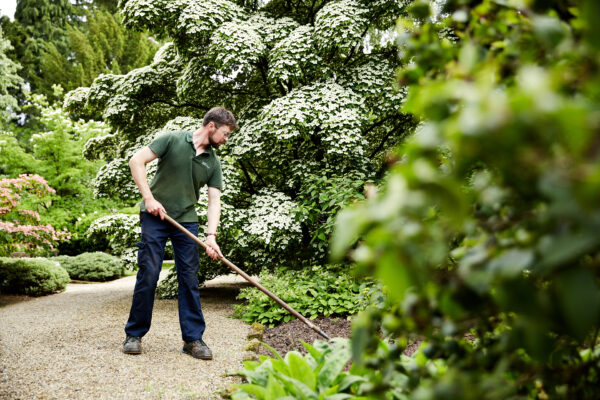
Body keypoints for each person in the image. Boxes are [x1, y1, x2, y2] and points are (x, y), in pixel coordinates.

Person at [122, 106, 237, 360]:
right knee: (149, 273)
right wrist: (149, 199)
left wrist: (211, 236)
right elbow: (136, 161)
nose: (226, 140)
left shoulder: (212, 161)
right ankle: (134, 334)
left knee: (188, 277)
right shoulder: (172, 139)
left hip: (186, 220)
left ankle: (193, 339)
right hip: (155, 216)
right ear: (211, 126)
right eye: (225, 134)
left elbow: (214, 200)